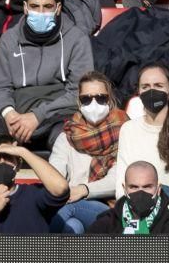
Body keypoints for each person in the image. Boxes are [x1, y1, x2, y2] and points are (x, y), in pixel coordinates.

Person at [0, 0, 93, 173]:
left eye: (47, 6)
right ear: (25, 8)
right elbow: (0, 88)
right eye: (35, 6)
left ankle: (59, 192)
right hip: (15, 117)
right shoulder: (9, 39)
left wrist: (38, 116)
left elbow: (79, 91)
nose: (40, 13)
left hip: (56, 116)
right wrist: (10, 114)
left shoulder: (77, 38)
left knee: (67, 136)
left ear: (58, 8)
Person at [114, 63, 169, 220]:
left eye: (158, 85)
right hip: (138, 210)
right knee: (72, 213)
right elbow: (122, 183)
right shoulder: (128, 129)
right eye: (146, 86)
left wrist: (154, 214)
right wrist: (132, 213)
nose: (152, 91)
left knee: (164, 191)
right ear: (139, 92)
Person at [48, 72, 128, 234]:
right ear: (79, 102)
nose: (93, 104)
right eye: (86, 99)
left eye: (100, 98)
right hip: (69, 202)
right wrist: (68, 192)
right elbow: (53, 176)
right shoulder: (67, 137)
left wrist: (83, 190)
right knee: (73, 226)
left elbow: (118, 180)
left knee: (68, 210)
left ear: (110, 99)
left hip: (109, 207)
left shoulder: (125, 131)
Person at [88, 160, 169, 234]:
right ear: (124, 189)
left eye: (147, 187)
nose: (140, 193)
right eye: (134, 187)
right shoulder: (107, 222)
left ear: (158, 189)